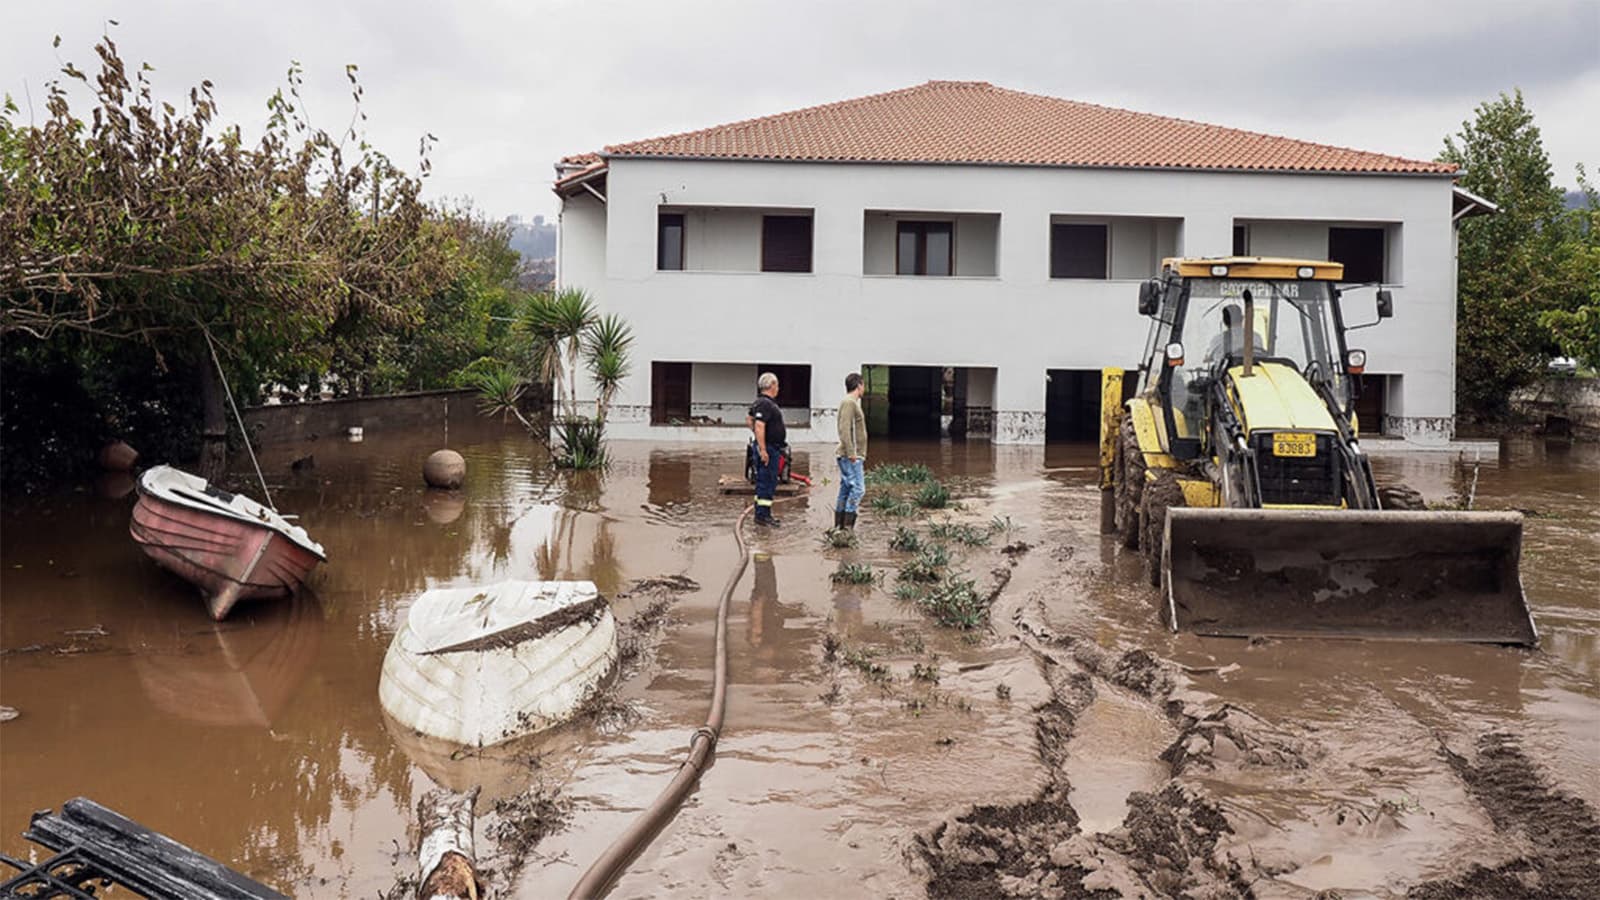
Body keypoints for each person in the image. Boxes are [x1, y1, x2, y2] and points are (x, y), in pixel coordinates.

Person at [746, 372, 786, 527]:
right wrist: (763, 449)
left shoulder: (759, 402)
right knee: (767, 482)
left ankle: (761, 514)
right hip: (768, 449)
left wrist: (758, 437)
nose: (778, 388)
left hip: (769, 446)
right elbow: (759, 424)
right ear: (772, 385)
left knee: (764, 481)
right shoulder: (765, 404)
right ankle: (763, 517)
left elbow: (749, 419)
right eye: (777, 385)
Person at [834, 371, 867, 530]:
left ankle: (839, 525)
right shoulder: (849, 403)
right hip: (850, 456)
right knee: (858, 489)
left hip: (848, 455)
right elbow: (844, 429)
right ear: (859, 385)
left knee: (846, 488)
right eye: (863, 385)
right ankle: (847, 526)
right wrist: (852, 453)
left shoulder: (850, 402)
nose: (864, 389)